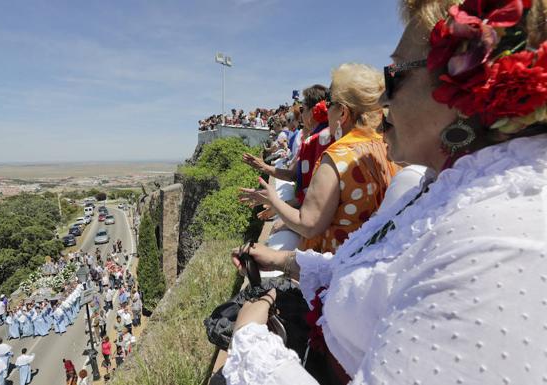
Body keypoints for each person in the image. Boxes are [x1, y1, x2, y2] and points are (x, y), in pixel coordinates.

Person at [223, 0, 547, 384]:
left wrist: (250, 340)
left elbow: (313, 224)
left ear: (466, 92)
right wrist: (288, 262)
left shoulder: (500, 244)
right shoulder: (442, 186)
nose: (385, 101)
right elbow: (381, 272)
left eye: (394, 76)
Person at [240, 64, 401, 253]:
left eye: (330, 103)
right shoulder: (389, 147)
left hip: (334, 265)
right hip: (370, 258)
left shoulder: (337, 157)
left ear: (343, 112)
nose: (326, 109)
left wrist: (273, 200)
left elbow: (308, 224)